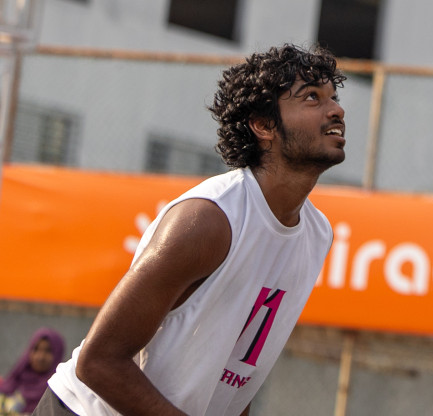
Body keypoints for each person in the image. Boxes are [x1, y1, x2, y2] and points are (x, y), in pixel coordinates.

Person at [42, 45, 346, 416]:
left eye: (333, 96)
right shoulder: (208, 220)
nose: (336, 110)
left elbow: (237, 369)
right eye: (312, 97)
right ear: (264, 125)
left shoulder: (317, 235)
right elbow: (99, 362)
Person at [0, 329, 65, 414]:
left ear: (57, 354)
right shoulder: (11, 384)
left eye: (48, 351)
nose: (41, 357)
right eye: (36, 349)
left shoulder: (60, 395)